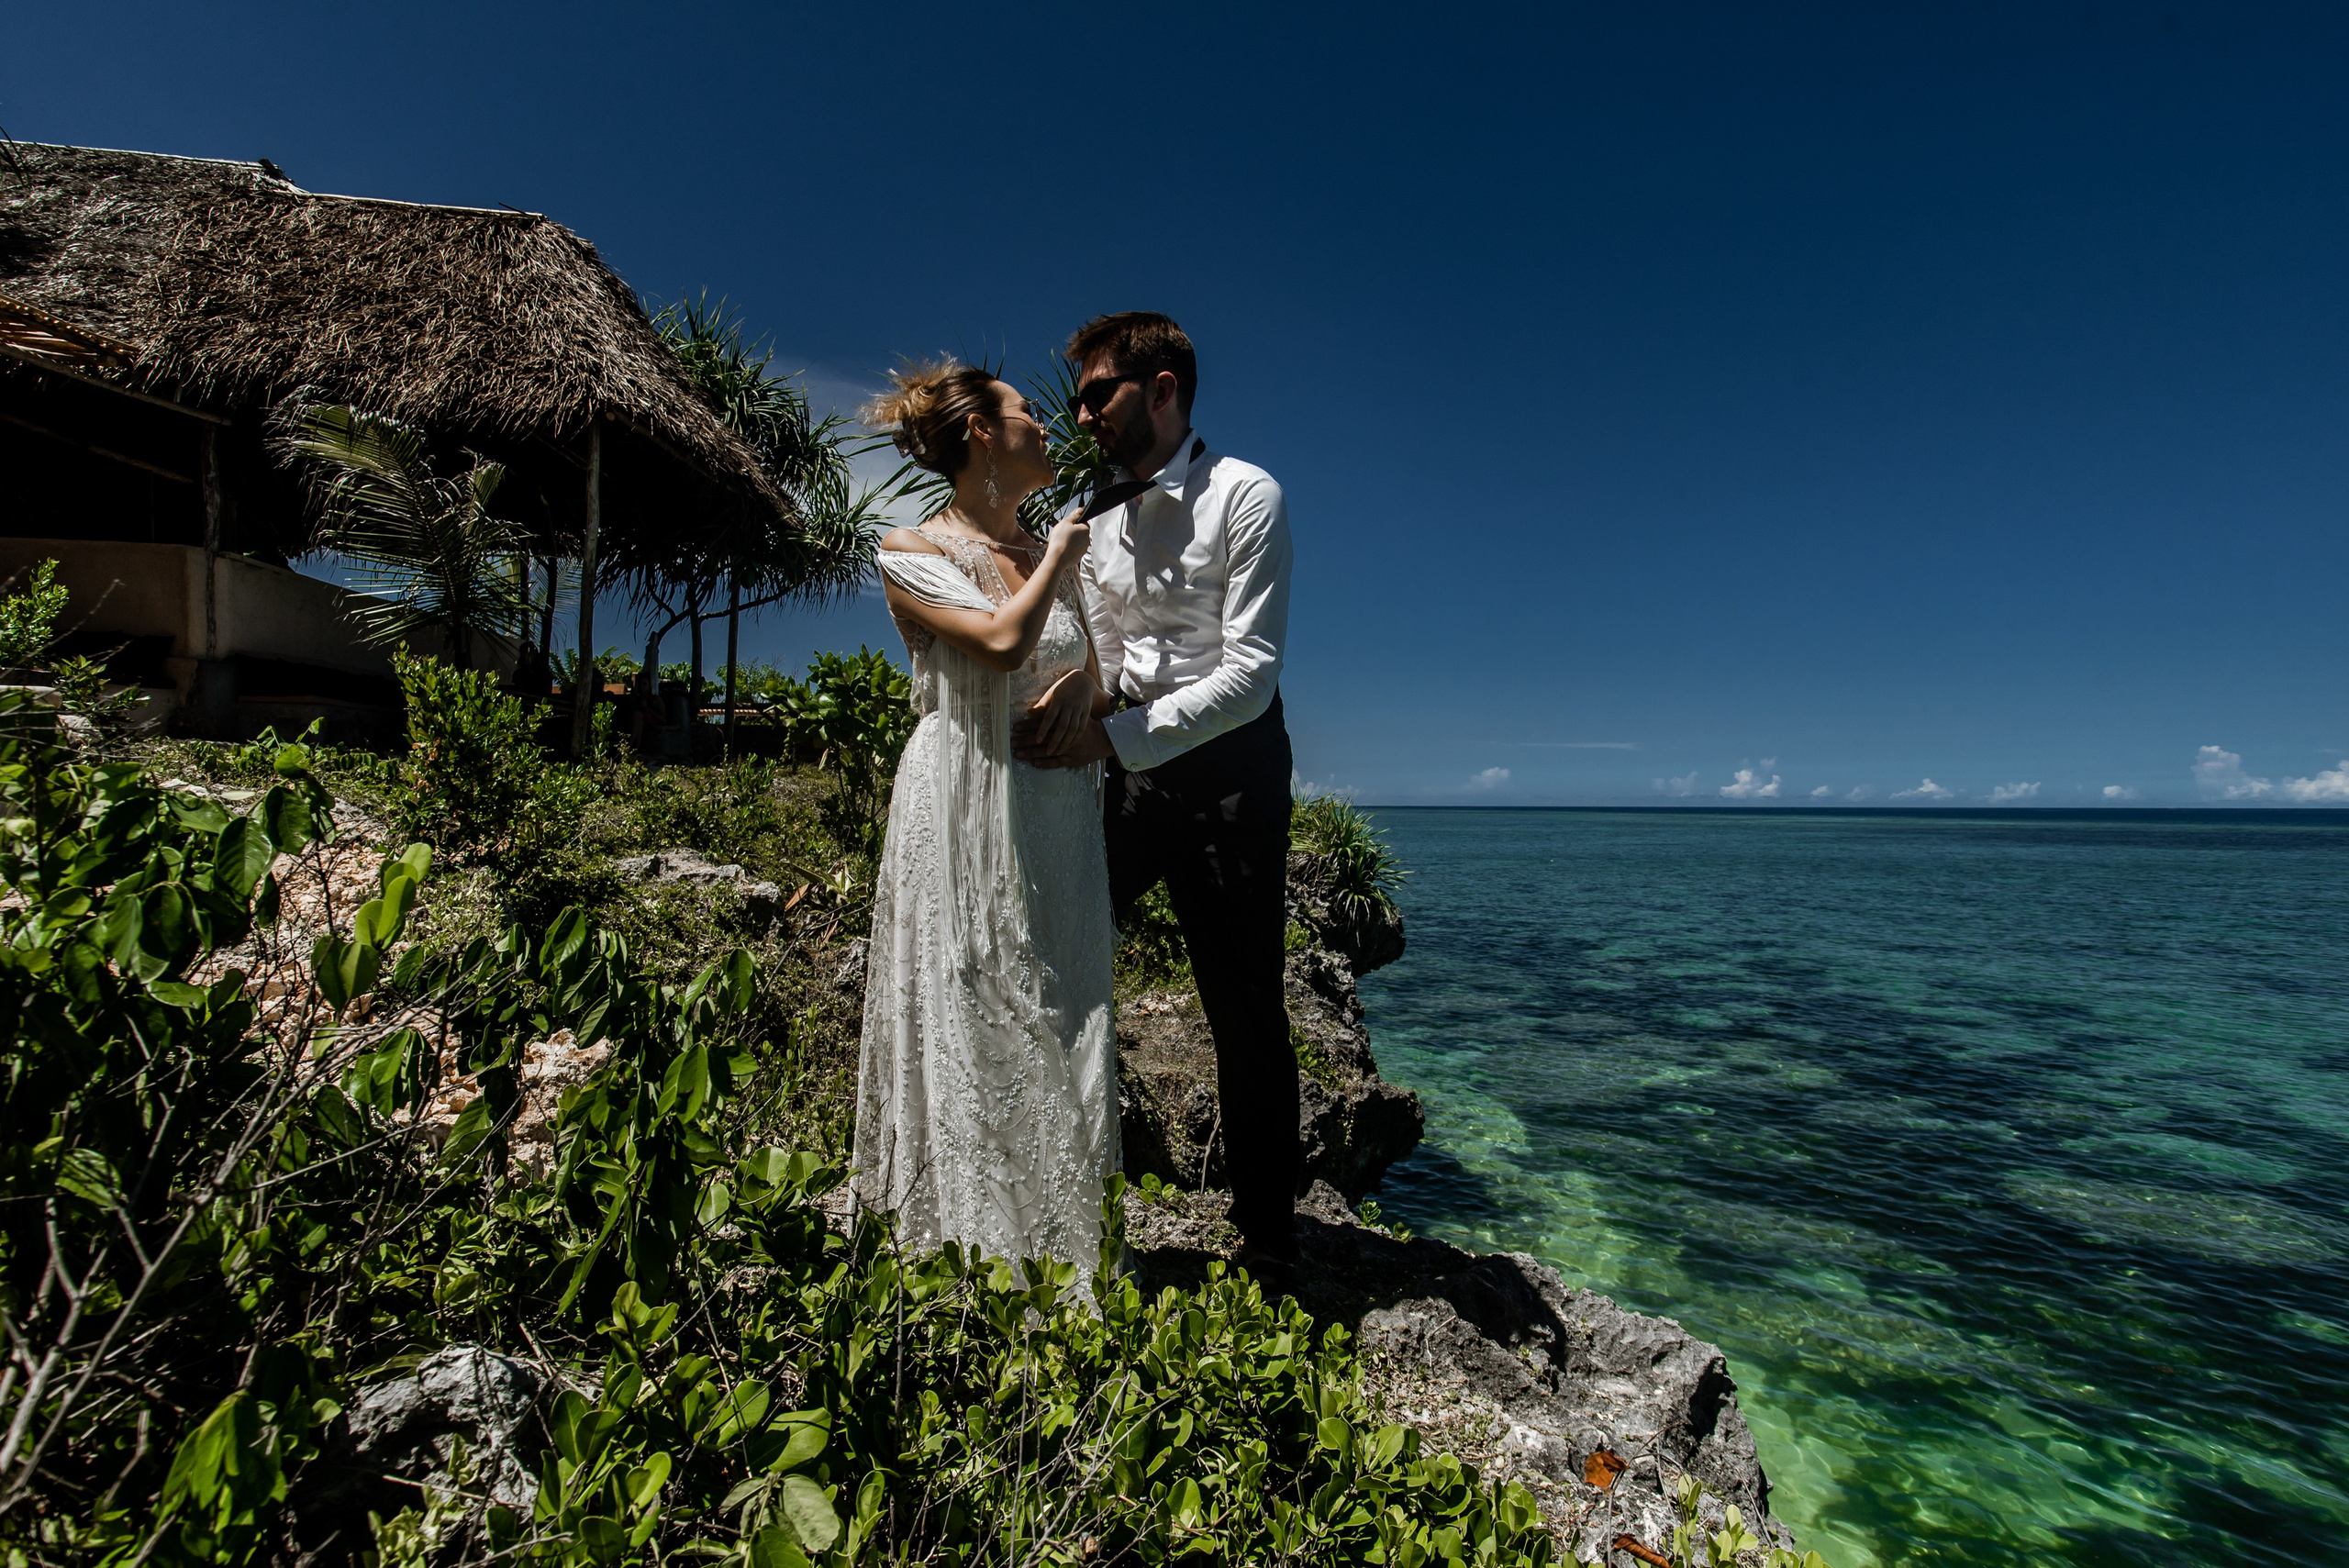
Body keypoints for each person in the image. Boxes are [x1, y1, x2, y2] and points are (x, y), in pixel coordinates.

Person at [1014, 312, 1299, 1289]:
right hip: (1128, 768)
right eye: (1082, 394)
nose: (1081, 411)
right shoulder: (1095, 515)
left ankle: (1269, 1241)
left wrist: (1109, 734)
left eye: (1098, 392)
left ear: (1164, 388)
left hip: (1233, 773)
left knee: (1244, 1007)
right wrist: (1065, 717)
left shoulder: (1246, 493)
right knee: (1049, 954)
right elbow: (1105, 663)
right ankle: (1046, 1191)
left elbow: (1251, 675)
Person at [852, 360, 1119, 1276]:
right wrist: (1056, 557)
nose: (1048, 425)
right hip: (965, 791)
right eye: (1027, 413)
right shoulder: (908, 548)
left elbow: (1091, 664)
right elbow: (1003, 643)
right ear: (979, 432)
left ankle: (1067, 1248)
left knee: (1066, 1005)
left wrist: (1089, 682)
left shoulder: (1053, 548)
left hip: (1057, 808)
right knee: (975, 998)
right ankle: (972, 1259)